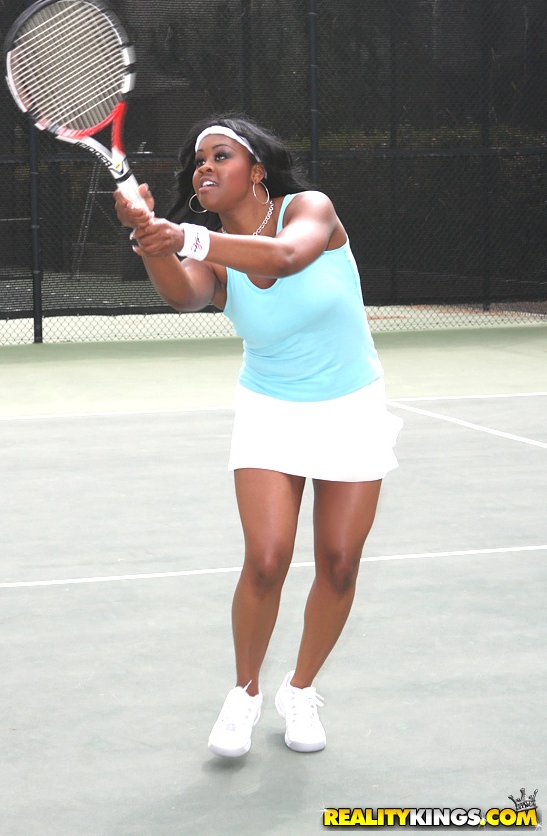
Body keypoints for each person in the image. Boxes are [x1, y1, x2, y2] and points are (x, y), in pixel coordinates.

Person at [114, 115, 402, 759]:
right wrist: (151, 237)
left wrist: (184, 236)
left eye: (220, 155)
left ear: (258, 170)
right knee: (267, 559)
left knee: (340, 562)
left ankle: (300, 690)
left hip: (351, 406)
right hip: (270, 409)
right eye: (198, 161)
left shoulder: (310, 209)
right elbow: (185, 296)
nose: (204, 167)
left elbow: (286, 256)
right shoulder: (215, 254)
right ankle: (244, 694)